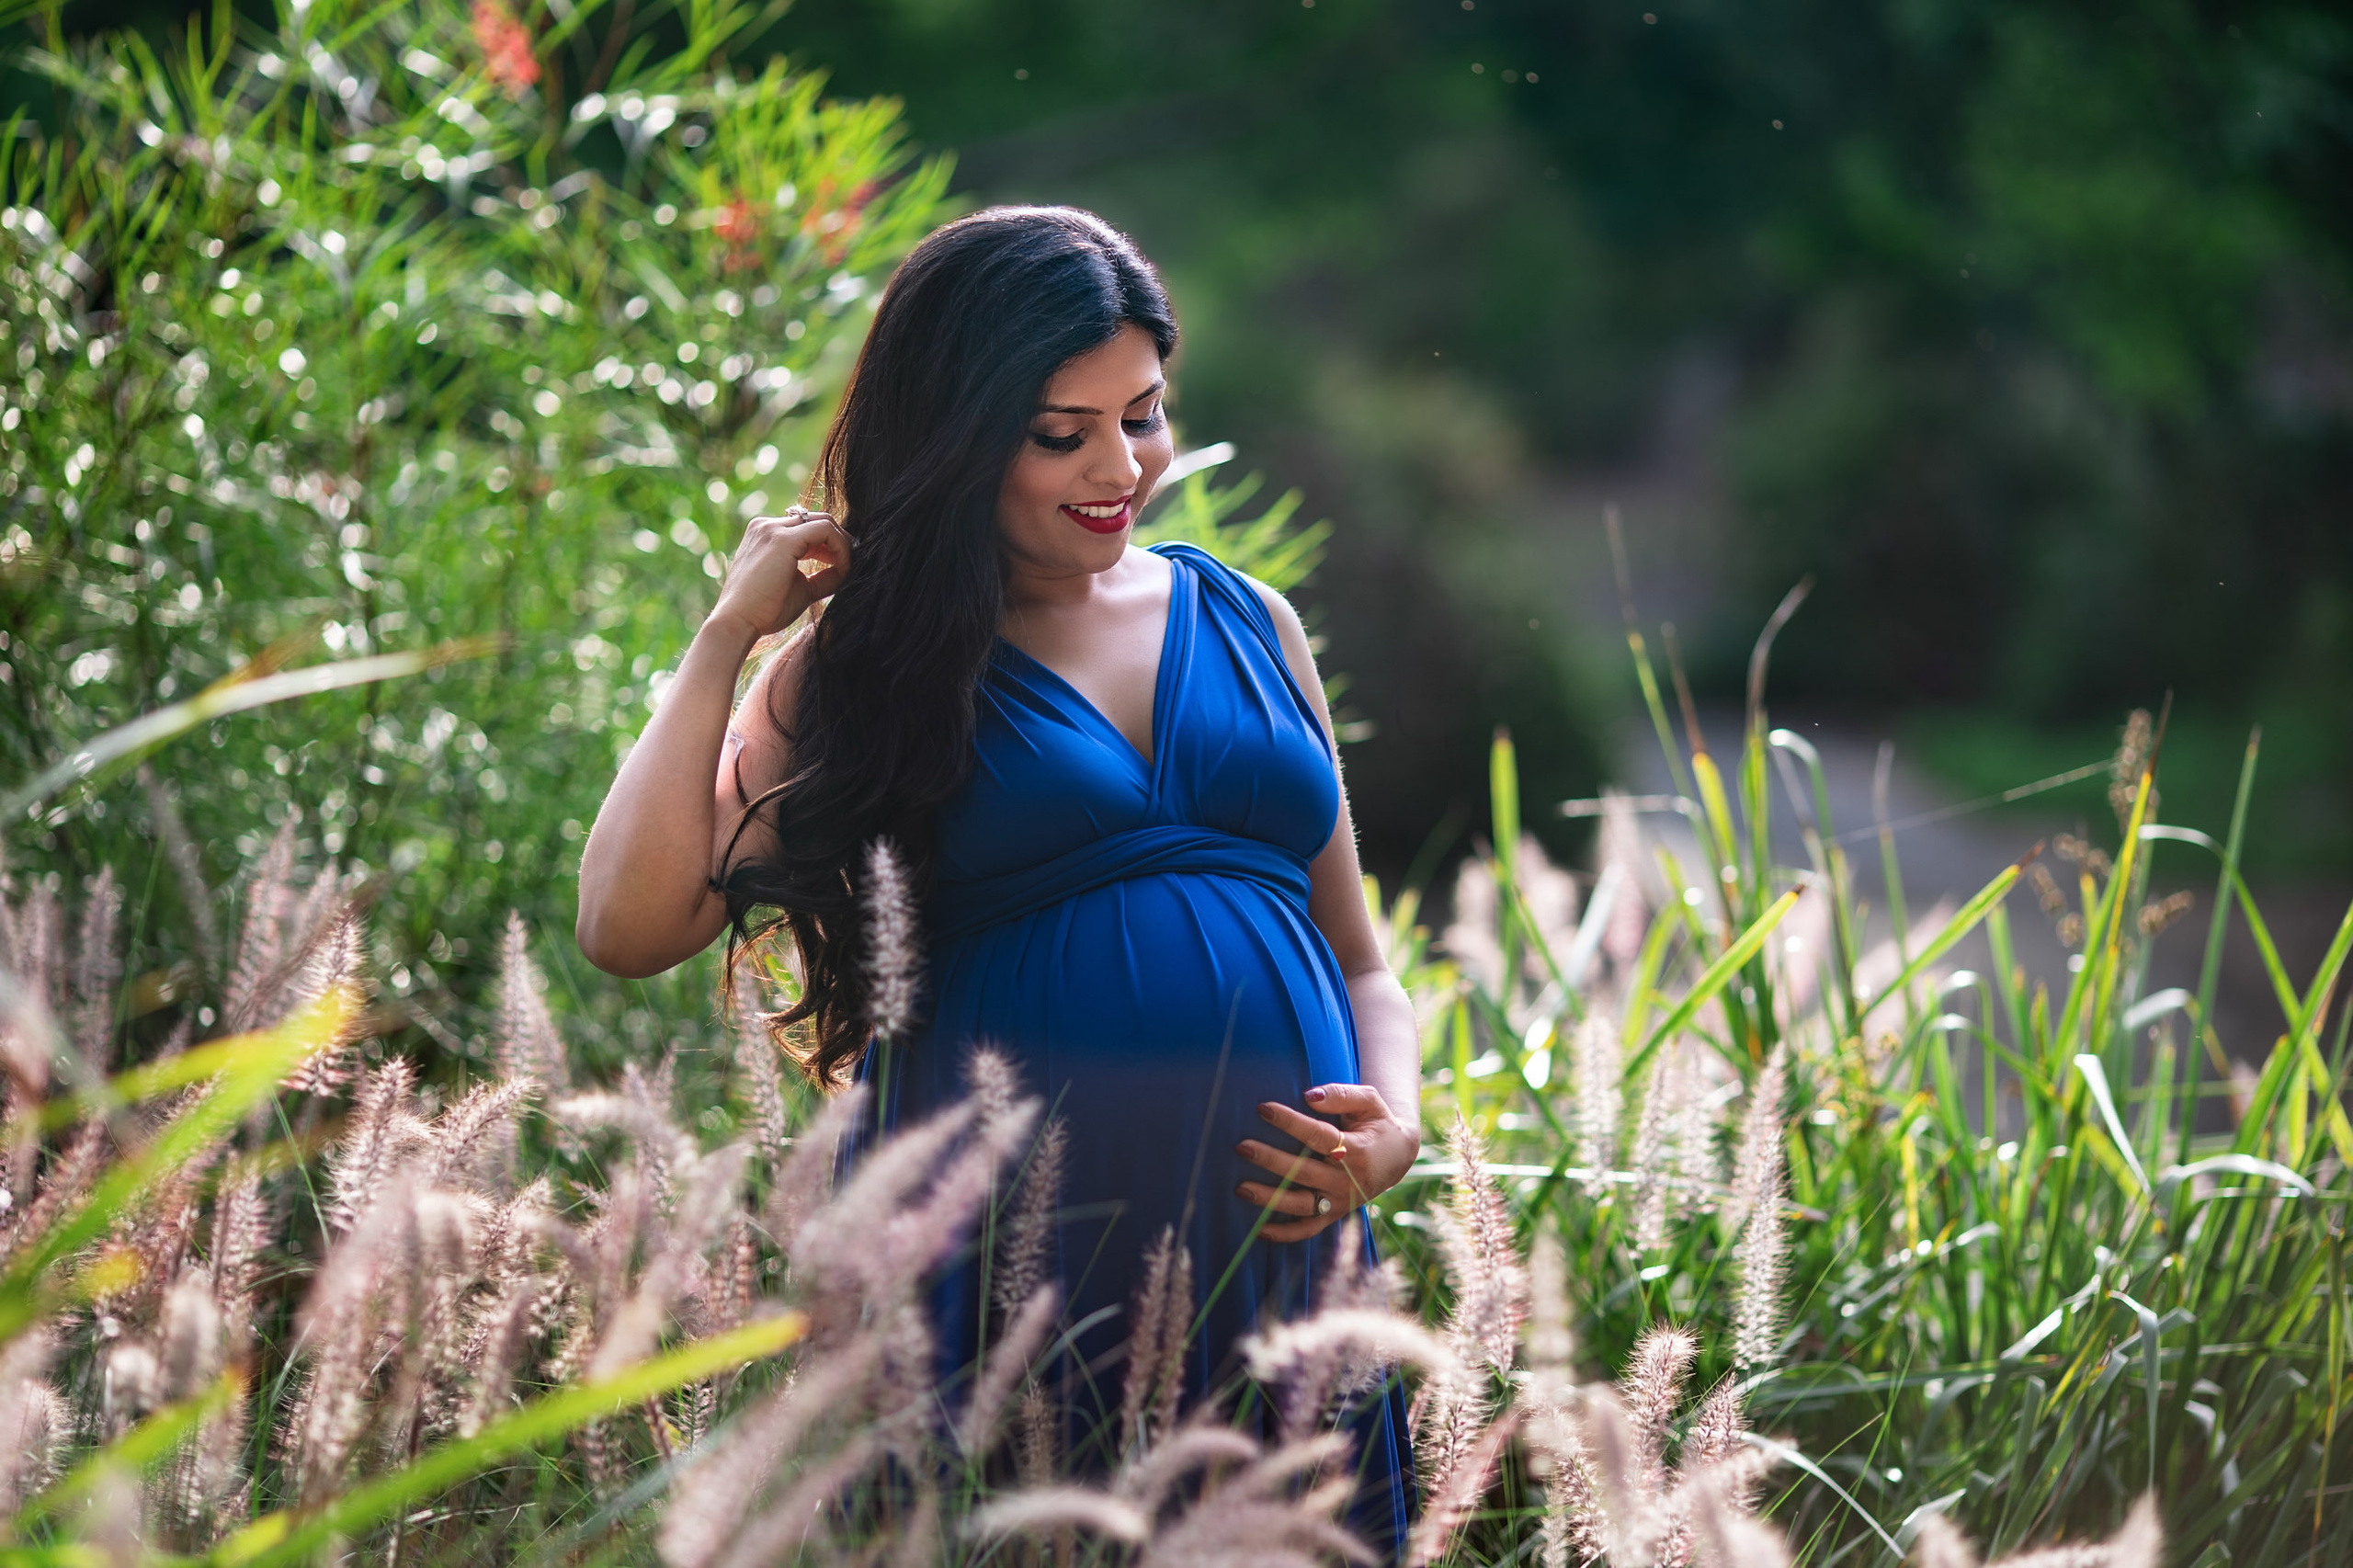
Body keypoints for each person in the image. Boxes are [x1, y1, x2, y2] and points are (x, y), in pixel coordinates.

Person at [575, 205, 1419, 1543]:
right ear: (960, 435)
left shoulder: (1250, 620)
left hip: (1281, 1267)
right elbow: (628, 924)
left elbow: (1360, 962)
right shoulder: (867, 669)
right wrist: (726, 639)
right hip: (1015, 1272)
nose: (1120, 466)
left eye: (1142, 415)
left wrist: (1397, 1125)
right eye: (1060, 434)